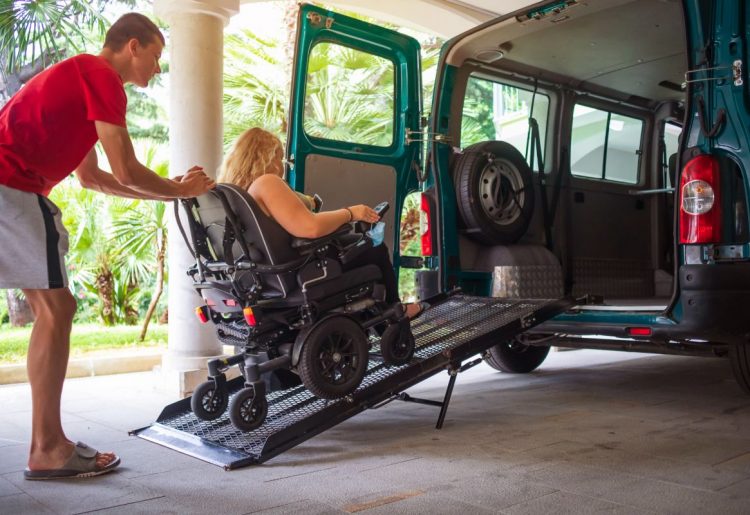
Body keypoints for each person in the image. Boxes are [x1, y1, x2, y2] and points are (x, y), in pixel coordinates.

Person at [0, 13, 215, 480]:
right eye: (156, 57)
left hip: (10, 185)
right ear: (131, 46)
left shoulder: (79, 79)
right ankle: (48, 449)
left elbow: (96, 178)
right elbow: (126, 170)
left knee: (53, 309)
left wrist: (170, 187)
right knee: (58, 310)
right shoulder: (101, 75)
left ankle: (47, 444)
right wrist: (180, 191)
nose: (157, 70)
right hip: (11, 185)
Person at [218, 127, 424, 315]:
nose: (282, 168)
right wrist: (351, 213)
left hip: (263, 276)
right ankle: (395, 311)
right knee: (373, 247)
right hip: (298, 268)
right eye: (280, 159)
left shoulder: (232, 193)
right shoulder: (266, 183)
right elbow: (311, 228)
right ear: (267, 158)